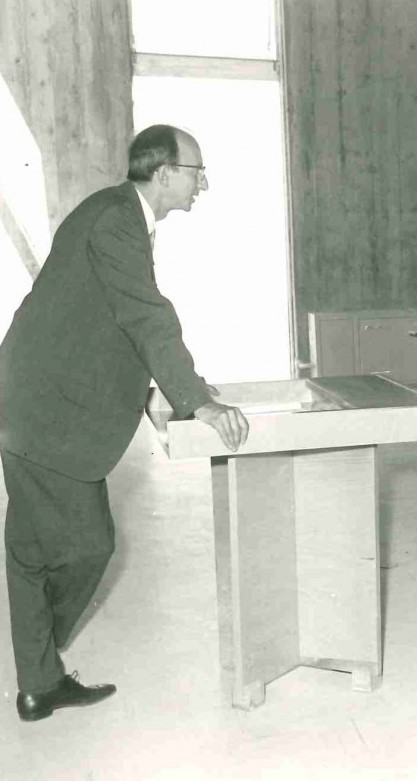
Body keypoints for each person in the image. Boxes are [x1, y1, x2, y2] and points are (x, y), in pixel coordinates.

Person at [0, 124, 250, 722]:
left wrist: (165, 390)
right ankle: (40, 664)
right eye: (196, 171)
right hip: (45, 411)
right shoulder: (116, 219)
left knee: (32, 549)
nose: (204, 183)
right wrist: (196, 401)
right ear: (162, 172)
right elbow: (144, 315)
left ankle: (38, 683)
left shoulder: (113, 214)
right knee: (87, 544)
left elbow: (96, 319)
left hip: (32, 400)